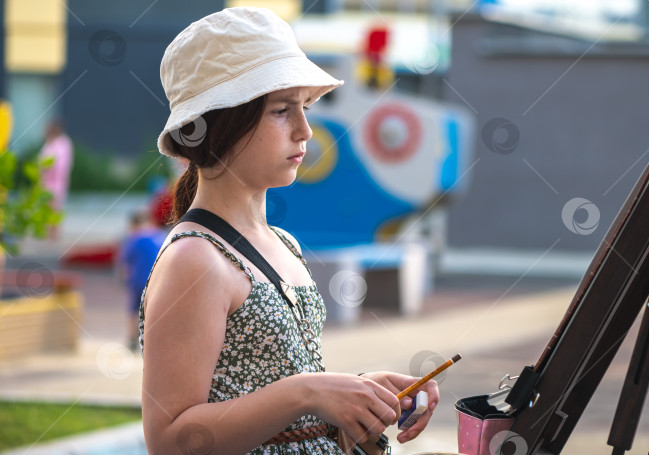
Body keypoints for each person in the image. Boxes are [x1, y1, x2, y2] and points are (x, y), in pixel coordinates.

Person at [139, 8, 439, 455]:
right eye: (281, 110)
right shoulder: (195, 260)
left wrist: (352, 396)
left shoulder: (284, 243)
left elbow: (271, 402)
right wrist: (309, 392)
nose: (305, 130)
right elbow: (170, 442)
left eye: (305, 107)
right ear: (221, 123)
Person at [119, 209, 165, 351]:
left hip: (138, 281)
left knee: (134, 310)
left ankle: (133, 340)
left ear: (133, 224)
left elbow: (125, 263)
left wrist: (123, 280)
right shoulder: (161, 236)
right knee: (157, 310)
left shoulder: (134, 239)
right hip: (159, 280)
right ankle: (156, 340)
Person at [39, 119, 73, 237]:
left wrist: (47, 169)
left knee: (55, 208)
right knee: (47, 208)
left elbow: (61, 165)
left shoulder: (63, 143)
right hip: (46, 182)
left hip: (57, 182)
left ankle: (54, 234)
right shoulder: (48, 144)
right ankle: (48, 233)